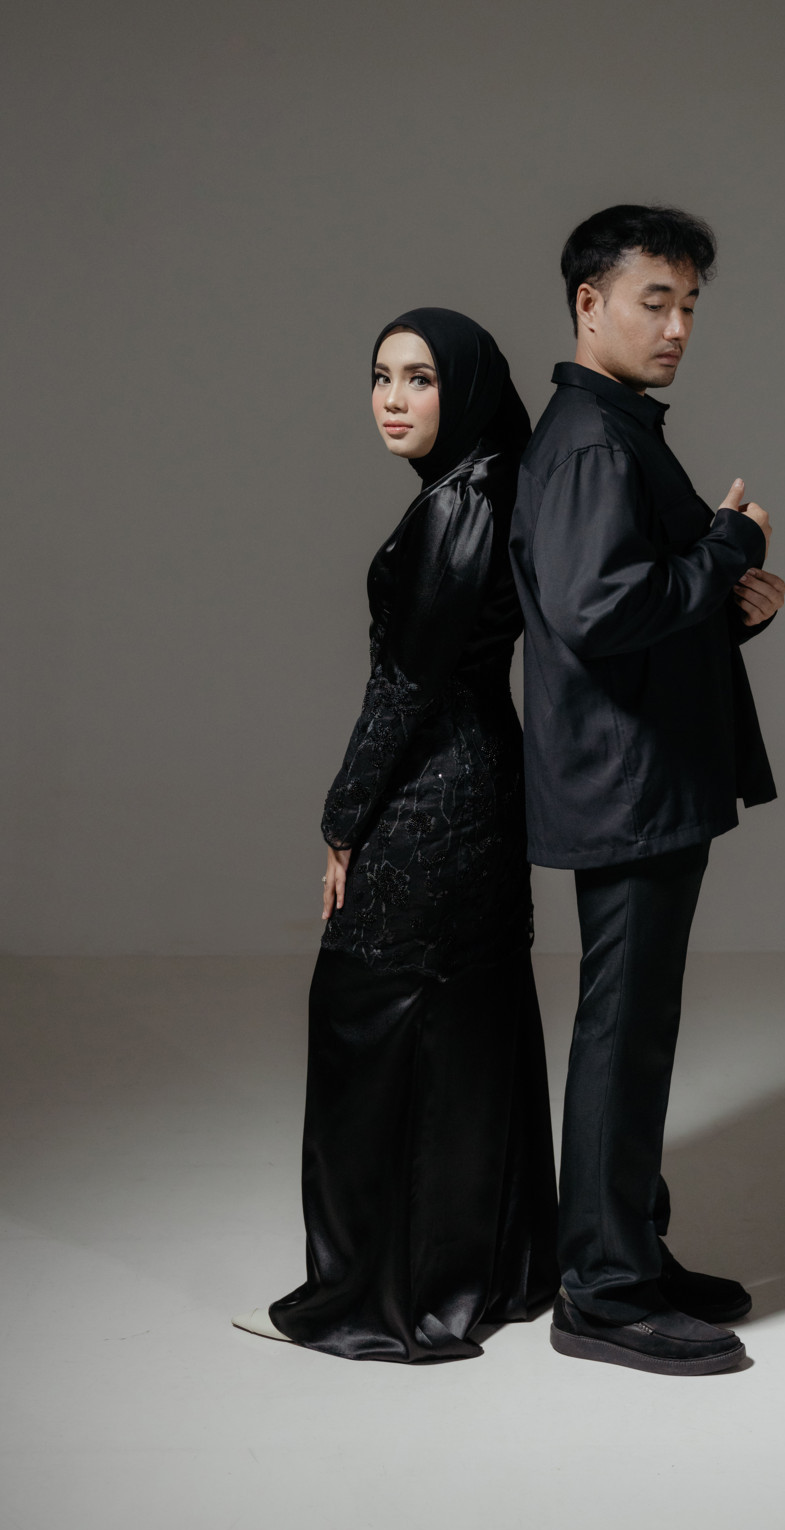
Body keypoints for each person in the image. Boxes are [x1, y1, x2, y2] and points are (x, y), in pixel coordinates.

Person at [233, 308, 559, 1363]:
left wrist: (342, 820)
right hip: (481, 783)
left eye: (418, 378)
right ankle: (484, 1268)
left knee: (370, 1018)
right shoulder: (487, 484)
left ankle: (378, 1293)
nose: (391, 398)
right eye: (380, 375)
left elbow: (407, 687)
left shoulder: (459, 504)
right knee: (466, 1022)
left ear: (462, 390)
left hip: (435, 794)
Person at [509, 205, 785, 1376]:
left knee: (636, 1025)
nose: (675, 326)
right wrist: (725, 546)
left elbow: (628, 603)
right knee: (622, 1029)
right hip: (626, 783)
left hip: (640, 773)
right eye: (652, 301)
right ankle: (603, 1292)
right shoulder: (589, 439)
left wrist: (727, 605)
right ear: (589, 305)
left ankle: (628, 1249)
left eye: (688, 306)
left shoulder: (610, 428)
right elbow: (598, 610)